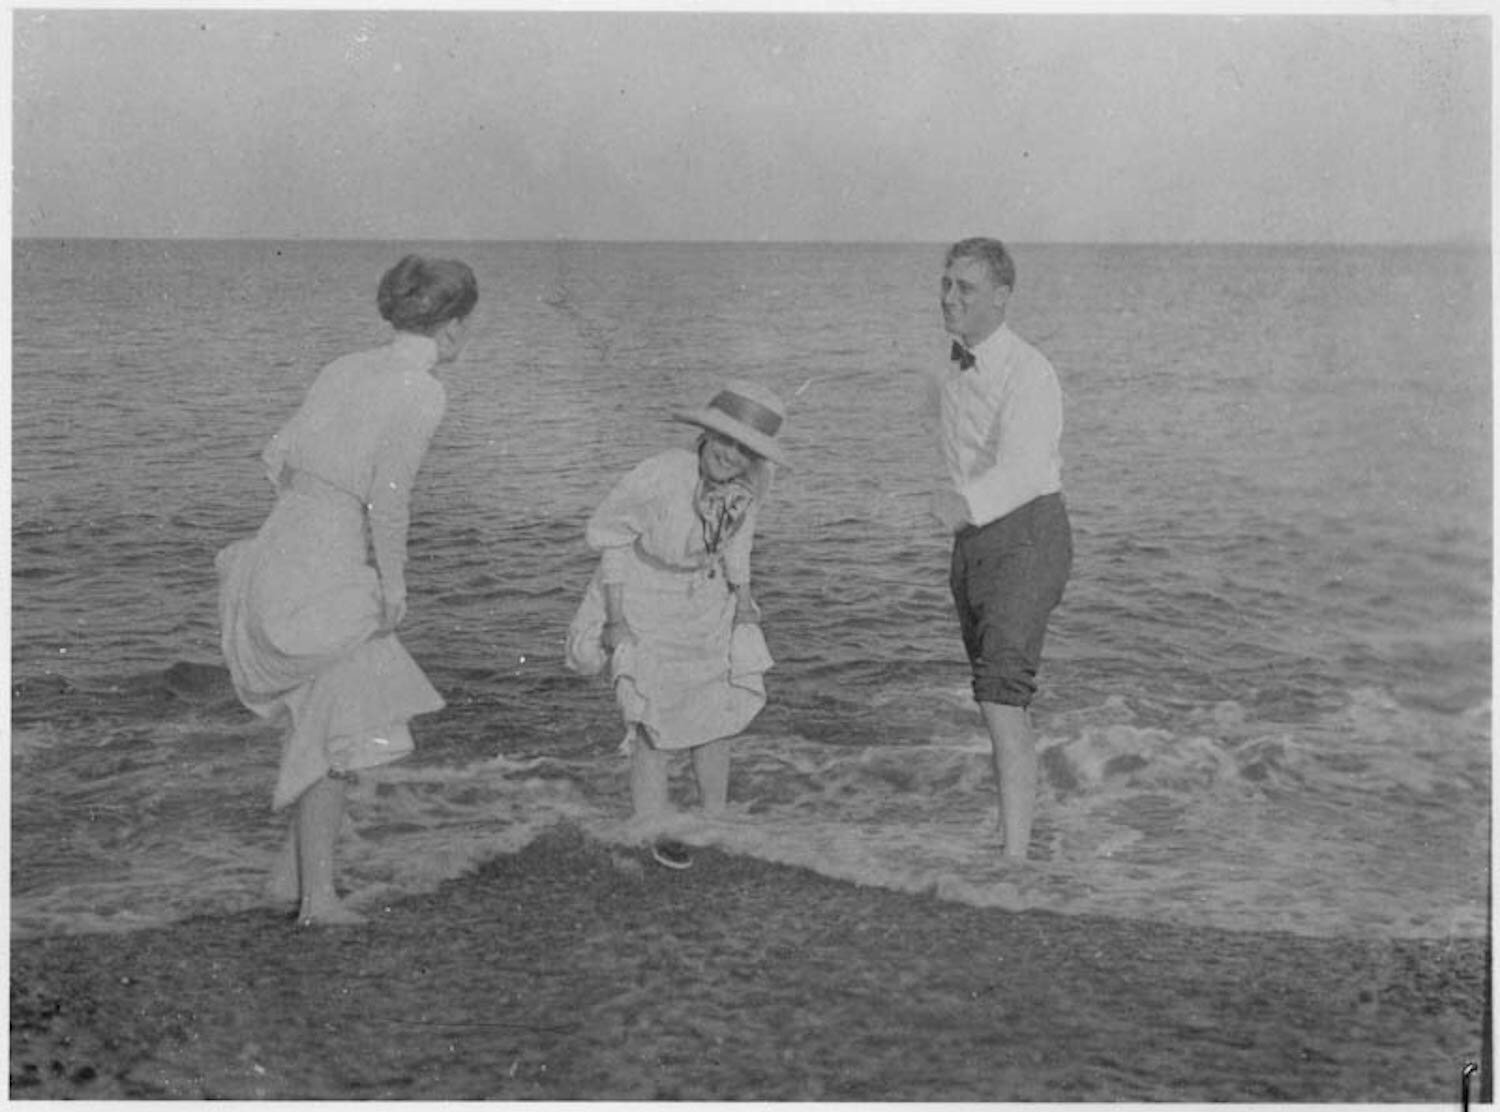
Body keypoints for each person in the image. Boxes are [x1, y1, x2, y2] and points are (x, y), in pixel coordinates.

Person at [216, 254, 478, 925]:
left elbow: (275, 456)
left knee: (326, 718)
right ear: (450, 328)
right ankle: (319, 900)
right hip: (329, 560)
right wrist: (392, 586)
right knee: (339, 727)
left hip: (284, 544)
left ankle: (290, 880)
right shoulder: (423, 391)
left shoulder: (345, 367)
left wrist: (314, 509)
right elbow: (390, 501)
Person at [566, 381, 785, 869]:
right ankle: (653, 825)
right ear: (705, 434)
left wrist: (745, 600)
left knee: (717, 710)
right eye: (724, 440)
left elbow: (738, 542)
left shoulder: (754, 482)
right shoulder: (662, 474)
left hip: (705, 594)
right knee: (653, 718)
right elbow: (614, 541)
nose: (730, 455)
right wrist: (617, 621)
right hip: (641, 588)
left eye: (744, 449)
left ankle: (715, 819)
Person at [931, 237, 1072, 861]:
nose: (949, 297)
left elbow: (1025, 468)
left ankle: (1015, 865)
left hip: (1028, 533)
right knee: (990, 693)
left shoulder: (1030, 369)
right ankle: (1011, 842)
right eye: (946, 284)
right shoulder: (954, 364)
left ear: (1001, 297)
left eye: (965, 288)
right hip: (977, 541)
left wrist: (962, 505)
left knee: (1000, 695)